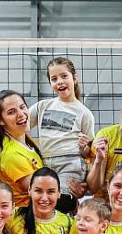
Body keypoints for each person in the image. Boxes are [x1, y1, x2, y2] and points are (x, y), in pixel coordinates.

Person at [30, 57, 95, 213]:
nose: (59, 82)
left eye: (64, 76)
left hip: (70, 162)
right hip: (44, 161)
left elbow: (89, 153)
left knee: (62, 203)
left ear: (74, 78)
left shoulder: (84, 113)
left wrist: (85, 148)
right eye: (54, 79)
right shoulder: (42, 106)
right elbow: (19, 126)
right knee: (42, 203)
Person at [0, 90, 43, 208]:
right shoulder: (12, 155)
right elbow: (41, 191)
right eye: (11, 112)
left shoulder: (24, 139)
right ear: (0, 120)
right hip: (26, 215)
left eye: (22, 107)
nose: (21, 114)